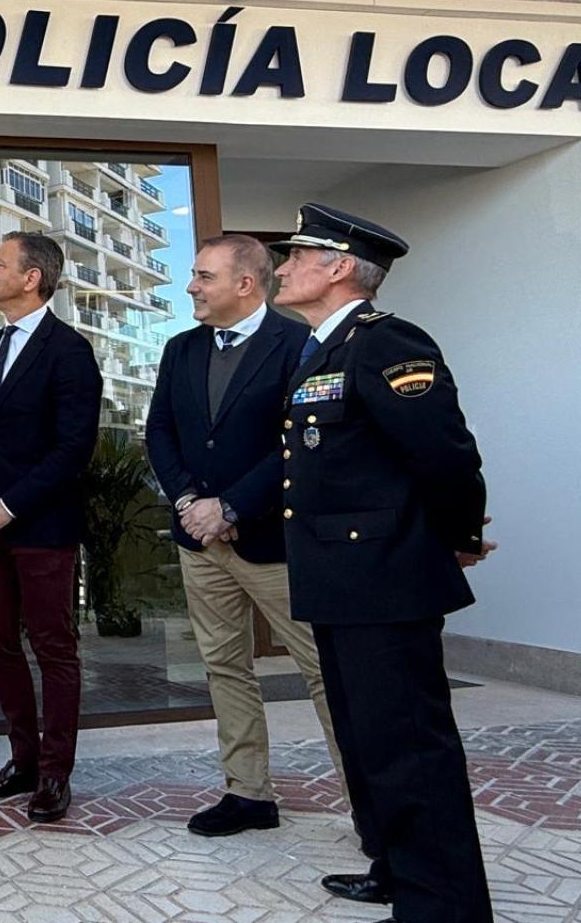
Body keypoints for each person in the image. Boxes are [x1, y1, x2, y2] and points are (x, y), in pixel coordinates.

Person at [271, 203, 495, 923]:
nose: (282, 268)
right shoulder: (322, 349)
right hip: (340, 581)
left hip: (387, 579)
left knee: (409, 748)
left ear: (339, 267)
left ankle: (444, 907)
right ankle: (397, 869)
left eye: (295, 256)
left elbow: (446, 455)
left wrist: (455, 538)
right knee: (368, 740)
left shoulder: (387, 342)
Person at [145, 234, 348, 837]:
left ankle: (370, 802)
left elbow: (299, 443)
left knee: (325, 670)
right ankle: (248, 794)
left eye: (203, 276)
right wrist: (189, 502)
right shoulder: (180, 349)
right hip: (200, 542)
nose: (191, 287)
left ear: (245, 283)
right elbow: (160, 432)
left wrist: (231, 507)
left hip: (274, 544)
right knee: (224, 667)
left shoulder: (299, 344)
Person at [0, 231, 101, 823]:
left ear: (32, 277)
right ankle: (22, 760)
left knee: (53, 647)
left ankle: (54, 773)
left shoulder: (69, 351)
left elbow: (74, 447)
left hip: (42, 526)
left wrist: (10, 505)